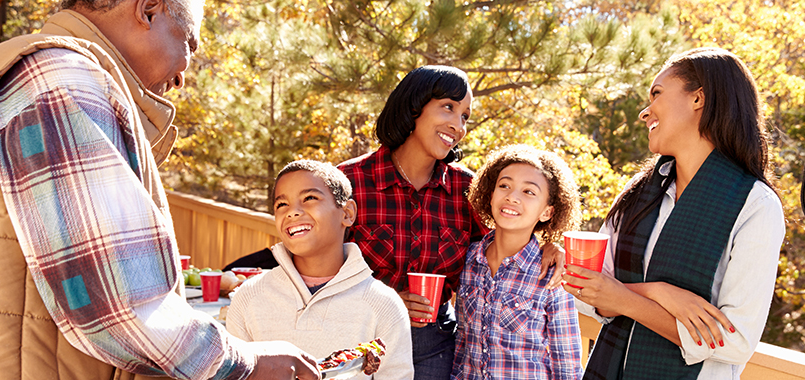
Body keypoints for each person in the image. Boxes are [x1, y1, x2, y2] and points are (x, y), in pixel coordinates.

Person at [0, 1, 318, 379]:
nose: (183, 76)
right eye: (188, 42)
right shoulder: (60, 79)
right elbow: (118, 305)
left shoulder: (45, 73)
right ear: (149, 10)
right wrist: (244, 362)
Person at [562, 47, 785, 379]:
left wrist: (627, 298)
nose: (644, 112)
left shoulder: (754, 205)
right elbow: (590, 292)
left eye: (656, 94)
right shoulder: (638, 194)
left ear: (698, 99)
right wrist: (660, 292)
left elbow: (734, 340)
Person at [337, 65, 565, 379]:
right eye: (449, 108)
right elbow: (314, 264)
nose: (458, 125)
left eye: (465, 116)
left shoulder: (466, 190)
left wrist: (548, 244)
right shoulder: (349, 181)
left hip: (434, 349)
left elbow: (504, 241)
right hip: (356, 340)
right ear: (414, 106)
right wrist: (385, 301)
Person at [226, 160, 414, 380]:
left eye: (309, 198)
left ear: (347, 214)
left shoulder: (383, 304)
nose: (293, 212)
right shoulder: (248, 297)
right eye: (281, 205)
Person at [452, 145, 584, 380]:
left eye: (529, 192)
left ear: (546, 212)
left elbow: (567, 367)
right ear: (490, 194)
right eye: (504, 186)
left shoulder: (552, 277)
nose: (512, 197)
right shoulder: (470, 260)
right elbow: (462, 341)